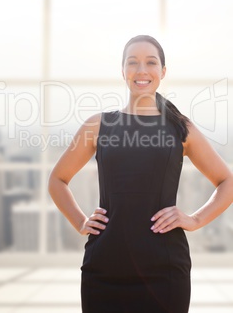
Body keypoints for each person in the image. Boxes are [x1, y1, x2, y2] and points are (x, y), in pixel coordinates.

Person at [48, 35, 233, 313]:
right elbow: (57, 180)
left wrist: (194, 219)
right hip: (104, 268)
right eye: (133, 62)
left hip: (165, 270)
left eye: (151, 62)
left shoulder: (181, 129)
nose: (141, 70)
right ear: (123, 71)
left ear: (163, 72)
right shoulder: (98, 125)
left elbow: (227, 181)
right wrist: (80, 221)